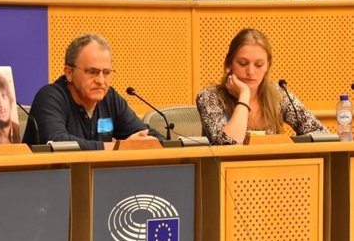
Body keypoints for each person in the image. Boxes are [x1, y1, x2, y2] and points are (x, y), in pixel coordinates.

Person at [22, 33, 164, 150]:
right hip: (49, 180)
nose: (101, 81)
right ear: (69, 73)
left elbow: (142, 134)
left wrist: (157, 142)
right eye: (92, 72)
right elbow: (57, 142)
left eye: (107, 72)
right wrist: (116, 147)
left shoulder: (110, 98)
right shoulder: (50, 98)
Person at [196, 28, 328, 145]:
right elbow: (228, 143)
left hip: (275, 170)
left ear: (267, 66)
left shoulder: (279, 94)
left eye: (259, 65)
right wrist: (244, 96)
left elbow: (321, 134)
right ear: (229, 63)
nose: (251, 72)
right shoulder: (210, 97)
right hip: (226, 171)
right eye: (242, 63)